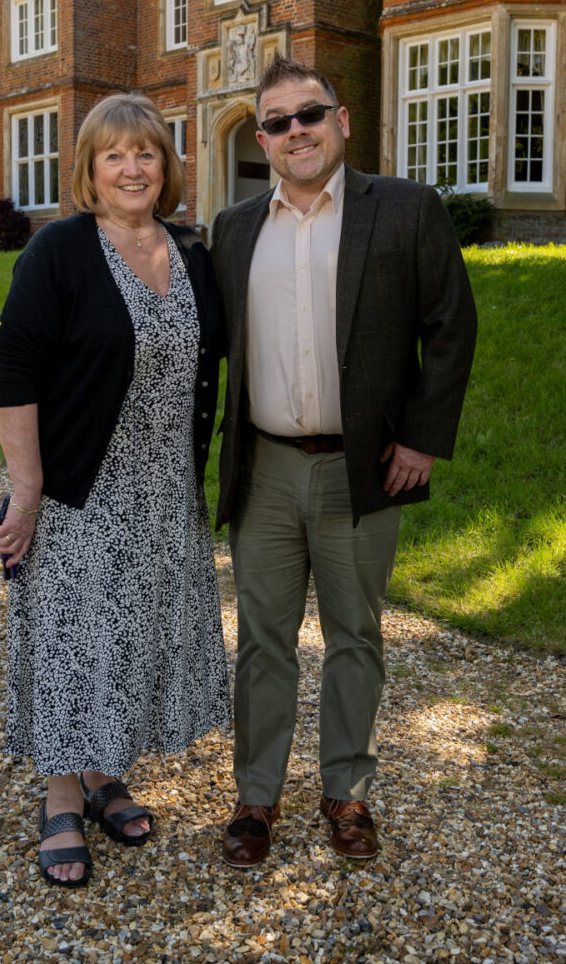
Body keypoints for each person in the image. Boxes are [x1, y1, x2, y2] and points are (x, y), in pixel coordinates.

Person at [211, 55, 477, 868]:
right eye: (279, 122)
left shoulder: (401, 210)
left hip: (360, 469)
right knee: (261, 639)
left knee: (355, 633)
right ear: (261, 137)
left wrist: (423, 437)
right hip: (263, 469)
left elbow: (452, 325)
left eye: (310, 114)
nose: (297, 131)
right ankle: (256, 799)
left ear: (342, 119)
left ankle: (345, 790)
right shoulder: (233, 229)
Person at [0, 93, 230, 888]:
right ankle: (60, 797)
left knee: (128, 639)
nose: (133, 168)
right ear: (89, 170)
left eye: (147, 153)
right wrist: (26, 492)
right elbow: (13, 370)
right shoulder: (59, 250)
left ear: (167, 166)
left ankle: (100, 776)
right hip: (77, 490)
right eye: (114, 155)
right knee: (68, 640)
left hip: (164, 491)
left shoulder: (191, 252)